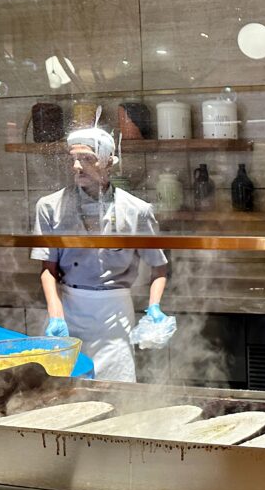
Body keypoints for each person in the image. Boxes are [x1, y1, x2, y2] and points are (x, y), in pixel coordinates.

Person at [31, 126, 170, 382]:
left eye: (86, 158)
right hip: (70, 308)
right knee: (69, 388)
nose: (76, 166)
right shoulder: (49, 207)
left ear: (108, 162)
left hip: (114, 313)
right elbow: (48, 269)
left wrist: (154, 310)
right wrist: (56, 316)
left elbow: (158, 267)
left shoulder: (136, 210)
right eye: (72, 158)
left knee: (117, 387)